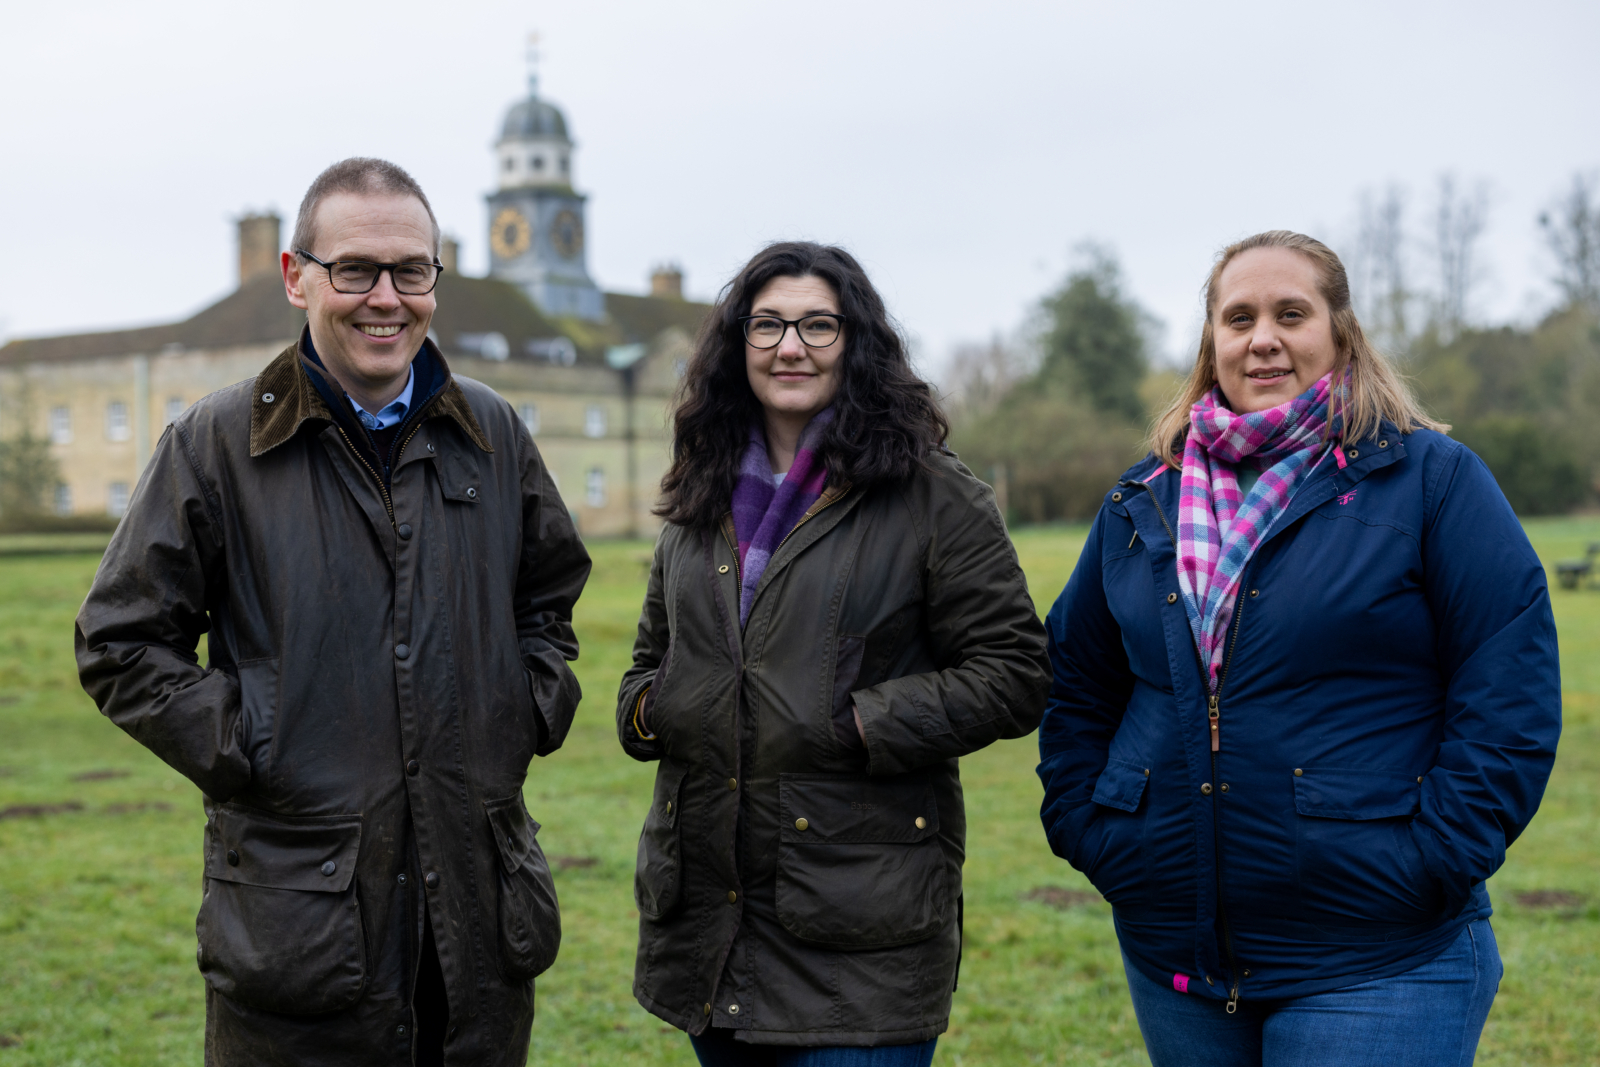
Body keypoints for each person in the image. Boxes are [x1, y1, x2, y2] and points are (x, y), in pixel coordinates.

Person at [75, 157, 589, 1066]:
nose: (385, 297)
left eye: (411, 270)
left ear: (436, 278)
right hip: (299, 934)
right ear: (296, 275)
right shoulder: (215, 444)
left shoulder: (496, 434)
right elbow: (120, 642)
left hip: (477, 931)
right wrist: (254, 742)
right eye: (355, 269)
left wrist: (522, 708)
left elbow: (549, 600)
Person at [1037, 230, 1561, 1066]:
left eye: (1291, 312)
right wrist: (1095, 830)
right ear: (1212, 341)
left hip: (1377, 958)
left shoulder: (1431, 480)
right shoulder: (1143, 498)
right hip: (1178, 955)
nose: (1263, 337)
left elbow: (1509, 684)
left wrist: (1434, 858)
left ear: (1340, 330)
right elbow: (1078, 683)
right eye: (1238, 317)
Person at [616, 241, 1050, 1066]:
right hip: (712, 926)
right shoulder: (699, 490)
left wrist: (855, 723)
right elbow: (650, 658)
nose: (791, 345)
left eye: (819, 324)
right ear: (737, 342)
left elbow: (1015, 671)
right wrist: (649, 708)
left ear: (857, 342)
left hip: (861, 935)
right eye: (769, 324)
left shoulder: (932, 493)